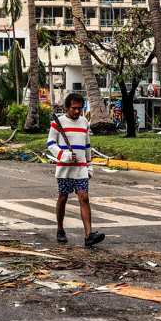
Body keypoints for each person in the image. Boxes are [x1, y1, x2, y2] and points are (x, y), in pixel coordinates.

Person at [48, 92, 104, 247]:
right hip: (65, 169)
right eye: (74, 108)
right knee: (63, 198)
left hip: (80, 169)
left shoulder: (84, 123)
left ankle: (89, 235)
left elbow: (87, 146)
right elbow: (50, 144)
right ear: (67, 107)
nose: (77, 111)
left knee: (84, 198)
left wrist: (89, 166)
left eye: (79, 108)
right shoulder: (57, 123)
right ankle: (60, 229)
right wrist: (64, 155)